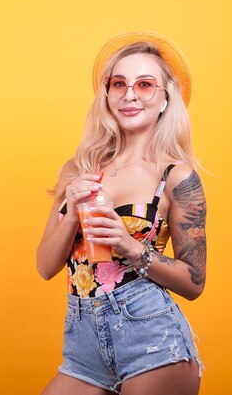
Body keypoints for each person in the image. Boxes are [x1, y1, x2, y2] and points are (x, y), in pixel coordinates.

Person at [37, 31, 207, 395]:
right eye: (119, 84)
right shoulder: (78, 168)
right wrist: (71, 214)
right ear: (108, 95)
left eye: (145, 84)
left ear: (165, 98)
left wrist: (128, 245)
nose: (130, 94)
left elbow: (195, 282)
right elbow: (45, 266)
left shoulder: (176, 177)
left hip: (151, 341)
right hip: (82, 346)